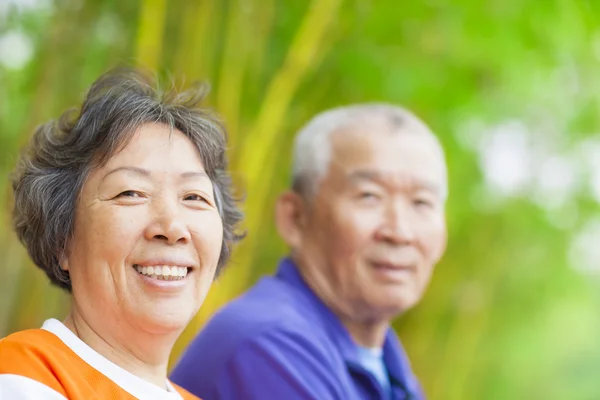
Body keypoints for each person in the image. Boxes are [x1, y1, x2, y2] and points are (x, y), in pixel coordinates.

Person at [170, 104, 448, 399]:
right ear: (295, 218)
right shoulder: (268, 348)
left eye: (421, 203)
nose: (400, 232)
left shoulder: (386, 362)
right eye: (370, 197)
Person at [0, 68, 243, 399]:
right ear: (62, 240)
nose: (172, 228)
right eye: (131, 192)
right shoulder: (25, 378)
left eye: (193, 197)